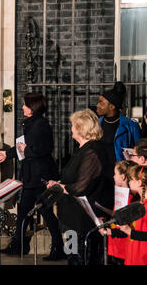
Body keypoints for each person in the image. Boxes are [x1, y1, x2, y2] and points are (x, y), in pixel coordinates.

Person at [0, 93, 65, 260]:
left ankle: (58, 247)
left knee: (47, 213)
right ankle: (18, 244)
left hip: (40, 177)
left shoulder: (41, 125)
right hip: (30, 177)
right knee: (22, 212)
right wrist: (8, 153)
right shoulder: (31, 124)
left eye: (25, 105)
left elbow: (42, 149)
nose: (22, 108)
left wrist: (26, 150)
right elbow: (23, 146)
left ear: (33, 107)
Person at [47, 109, 115, 265]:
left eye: (72, 125)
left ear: (80, 128)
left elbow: (80, 187)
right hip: (71, 218)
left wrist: (61, 187)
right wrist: (59, 183)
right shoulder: (82, 149)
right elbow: (74, 179)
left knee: (80, 258)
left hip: (82, 220)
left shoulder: (93, 151)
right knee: (72, 255)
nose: (70, 128)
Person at [103, 165, 147, 265]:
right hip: (133, 254)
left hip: (142, 256)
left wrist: (129, 231)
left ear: (139, 183)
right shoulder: (140, 203)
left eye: (131, 179)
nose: (129, 182)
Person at [96, 81, 141, 167]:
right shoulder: (96, 124)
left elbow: (139, 154)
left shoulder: (130, 126)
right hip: (100, 174)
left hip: (121, 174)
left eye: (101, 102)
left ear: (112, 106)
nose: (97, 105)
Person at [107, 160, 137, 265]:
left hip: (122, 250)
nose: (113, 177)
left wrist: (111, 232)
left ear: (123, 177)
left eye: (115, 174)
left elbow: (127, 227)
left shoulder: (130, 199)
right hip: (114, 247)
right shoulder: (121, 196)